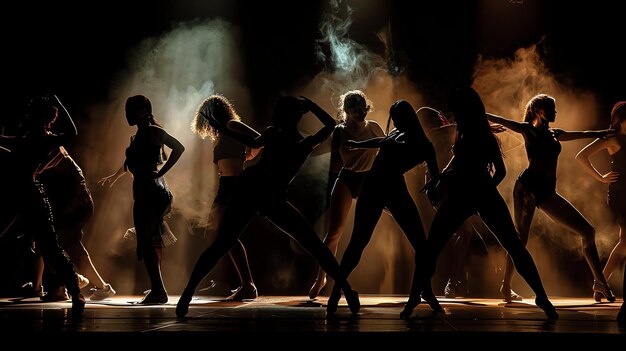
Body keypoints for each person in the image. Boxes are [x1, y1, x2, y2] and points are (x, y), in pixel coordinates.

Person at [176, 96, 359, 318]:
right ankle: (346, 289)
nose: (273, 116)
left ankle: (187, 292)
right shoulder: (304, 143)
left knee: (224, 243)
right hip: (264, 194)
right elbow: (330, 125)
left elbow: (253, 144)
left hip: (255, 191)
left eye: (278, 112)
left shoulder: (279, 135)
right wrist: (311, 106)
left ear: (284, 116)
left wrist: (221, 128)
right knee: (312, 245)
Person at [401, 87, 558, 319]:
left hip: (469, 194)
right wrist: (449, 178)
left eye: (454, 109)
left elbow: (493, 170)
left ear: (463, 109)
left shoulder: (477, 133)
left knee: (432, 248)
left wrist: (478, 190)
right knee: (513, 247)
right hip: (476, 194)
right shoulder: (471, 130)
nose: (452, 114)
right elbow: (471, 164)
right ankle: (542, 298)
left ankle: (542, 297)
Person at [487, 94, 615, 302]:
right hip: (527, 188)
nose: (555, 113)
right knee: (520, 238)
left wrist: (599, 133)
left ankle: (599, 283)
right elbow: (502, 120)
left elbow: (580, 133)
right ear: (538, 111)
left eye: (555, 109)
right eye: (551, 109)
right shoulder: (526, 129)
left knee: (587, 231)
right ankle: (506, 286)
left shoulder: (555, 134)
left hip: (547, 191)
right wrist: (476, 114)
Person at [326, 100, 441, 314]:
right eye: (394, 119)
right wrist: (360, 145)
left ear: (407, 119)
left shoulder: (423, 145)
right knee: (358, 242)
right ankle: (337, 291)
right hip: (374, 187)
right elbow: (383, 141)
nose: (395, 122)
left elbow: (435, 173)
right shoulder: (397, 133)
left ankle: (423, 292)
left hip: (394, 190)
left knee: (421, 246)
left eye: (398, 119)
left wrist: (433, 188)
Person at [1, 95, 85, 317]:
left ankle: (76, 291)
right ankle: (75, 290)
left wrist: (58, 99)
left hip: (29, 196)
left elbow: (73, 133)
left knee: (51, 247)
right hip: (18, 196)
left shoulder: (44, 140)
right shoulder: (24, 137)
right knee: (48, 247)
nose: (52, 121)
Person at [100, 95, 184, 304]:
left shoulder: (153, 132)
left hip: (151, 190)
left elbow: (179, 147)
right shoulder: (139, 135)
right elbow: (130, 163)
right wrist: (114, 176)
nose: (127, 114)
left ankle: (158, 291)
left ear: (145, 110)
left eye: (132, 110)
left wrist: (160, 172)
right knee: (150, 240)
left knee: (146, 242)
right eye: (126, 110)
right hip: (146, 189)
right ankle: (158, 288)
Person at [309, 90, 385, 299]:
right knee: (334, 233)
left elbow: (388, 147)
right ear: (347, 111)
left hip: (370, 180)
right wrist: (301, 145)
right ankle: (320, 278)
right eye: (355, 108)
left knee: (400, 215)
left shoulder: (374, 127)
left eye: (362, 107)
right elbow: (317, 150)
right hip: (348, 179)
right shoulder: (340, 131)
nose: (360, 111)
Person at [191, 94, 260, 301]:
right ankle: (227, 283)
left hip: (236, 185)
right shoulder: (221, 134)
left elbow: (259, 140)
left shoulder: (232, 124)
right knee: (218, 234)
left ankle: (246, 285)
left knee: (223, 235)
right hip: (226, 185)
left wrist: (248, 155)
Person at [34, 146, 116, 301]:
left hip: (75, 202)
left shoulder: (50, 144)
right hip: (72, 201)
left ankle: (71, 284)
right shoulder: (42, 143)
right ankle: (68, 284)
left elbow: (38, 169)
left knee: (64, 243)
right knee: (57, 242)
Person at [576, 101, 625, 293]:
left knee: (624, 243)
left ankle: (600, 282)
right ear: (620, 121)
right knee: (625, 243)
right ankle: (601, 282)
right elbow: (581, 156)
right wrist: (601, 177)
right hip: (621, 195)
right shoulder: (613, 138)